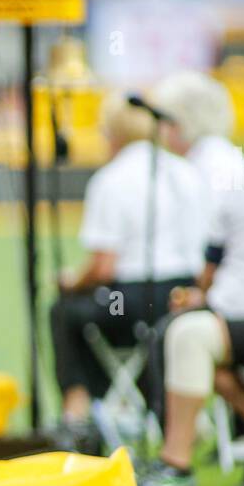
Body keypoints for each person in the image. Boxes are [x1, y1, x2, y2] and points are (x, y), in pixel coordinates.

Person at [49, 91, 205, 441]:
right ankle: (133, 401)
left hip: (130, 299)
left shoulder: (111, 179)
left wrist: (71, 281)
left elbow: (104, 267)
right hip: (183, 297)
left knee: (64, 311)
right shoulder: (187, 174)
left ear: (114, 134)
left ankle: (79, 406)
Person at [137, 72, 244, 486]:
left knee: (182, 333)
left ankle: (177, 459)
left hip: (239, 308)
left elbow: (212, 256)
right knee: (195, 341)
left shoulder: (215, 170)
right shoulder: (230, 167)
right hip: (236, 306)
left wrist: (201, 295)